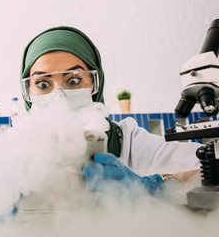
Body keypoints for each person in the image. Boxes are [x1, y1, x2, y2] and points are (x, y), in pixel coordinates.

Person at [20, 26, 201, 194]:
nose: (59, 98)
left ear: (95, 85)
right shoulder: (13, 152)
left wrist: (153, 186)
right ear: (28, 92)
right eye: (43, 84)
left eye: (73, 81)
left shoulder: (130, 144)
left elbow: (212, 167)